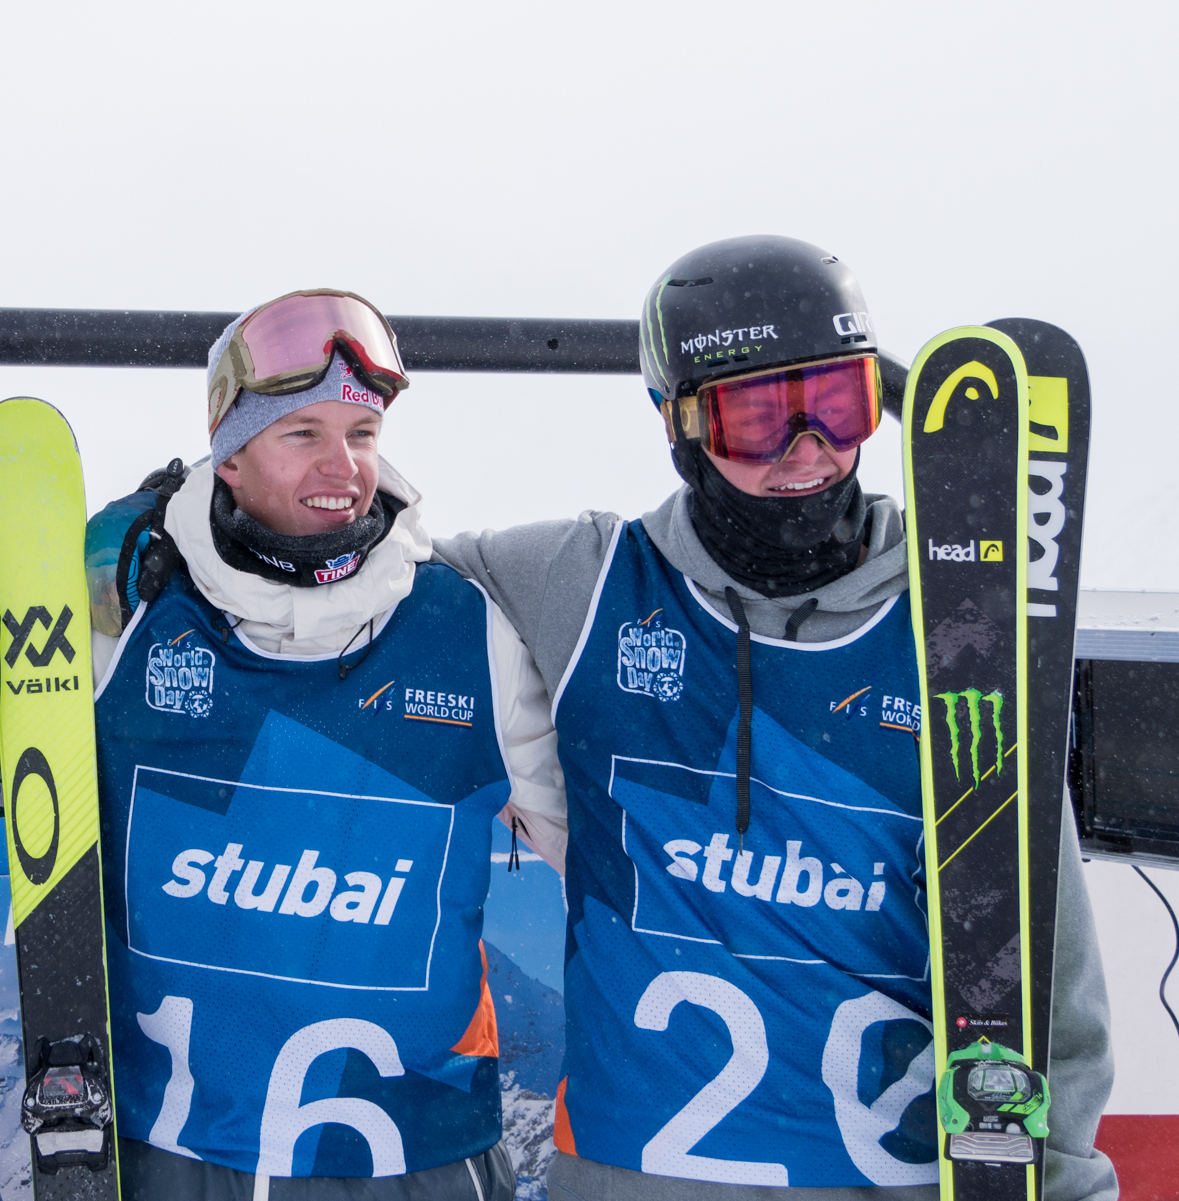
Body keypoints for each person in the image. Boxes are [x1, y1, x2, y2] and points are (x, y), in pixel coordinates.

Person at [433, 235, 1119, 1201]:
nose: (808, 454)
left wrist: (1067, 1179)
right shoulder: (585, 585)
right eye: (759, 417)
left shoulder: (953, 627)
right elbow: (376, 577)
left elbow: (1047, 958)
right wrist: (187, 527)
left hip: (887, 1177)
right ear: (680, 424)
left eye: (837, 406)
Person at [83, 289, 565, 1200]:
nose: (341, 466)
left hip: (416, 1156)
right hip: (181, 1148)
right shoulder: (127, 605)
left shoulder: (465, 630)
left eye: (362, 434)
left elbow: (596, 855)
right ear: (227, 458)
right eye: (301, 433)